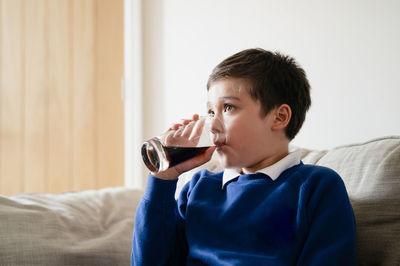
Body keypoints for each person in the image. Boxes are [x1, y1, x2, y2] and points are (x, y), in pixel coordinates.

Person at [131, 48, 357, 265]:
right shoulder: (199, 187)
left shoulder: (316, 187)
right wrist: (164, 177)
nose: (213, 125)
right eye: (210, 112)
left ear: (279, 117)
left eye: (228, 108)